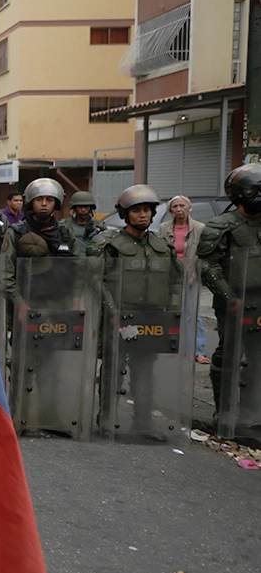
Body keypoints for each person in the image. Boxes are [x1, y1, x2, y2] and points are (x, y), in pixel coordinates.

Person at [88, 185, 181, 438]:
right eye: (137, 210)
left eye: (147, 210)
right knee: (112, 370)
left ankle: (143, 424)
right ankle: (106, 421)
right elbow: (96, 279)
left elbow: (176, 280)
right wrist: (111, 310)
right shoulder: (109, 243)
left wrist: (172, 310)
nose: (143, 215)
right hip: (118, 316)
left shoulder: (162, 245)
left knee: (144, 373)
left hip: (152, 318)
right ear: (125, 214)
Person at [197, 163, 261, 418]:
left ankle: (251, 412)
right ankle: (223, 414)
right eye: (252, 189)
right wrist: (229, 297)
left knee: (257, 357)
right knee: (230, 354)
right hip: (234, 301)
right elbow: (206, 264)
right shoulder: (221, 225)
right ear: (238, 193)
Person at [160, 195, 208, 363]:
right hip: (170, 277)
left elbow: (203, 254)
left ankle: (197, 350)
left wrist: (195, 272)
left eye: (182, 205)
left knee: (193, 314)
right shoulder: (163, 228)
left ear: (189, 207)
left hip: (191, 276)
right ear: (170, 210)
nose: (179, 209)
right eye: (175, 206)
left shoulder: (199, 228)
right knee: (171, 312)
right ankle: (172, 347)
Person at [65, 191, 104, 255]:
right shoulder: (65, 225)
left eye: (86, 206)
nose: (83, 209)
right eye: (80, 207)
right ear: (74, 208)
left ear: (91, 208)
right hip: (72, 261)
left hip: (92, 262)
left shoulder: (99, 225)